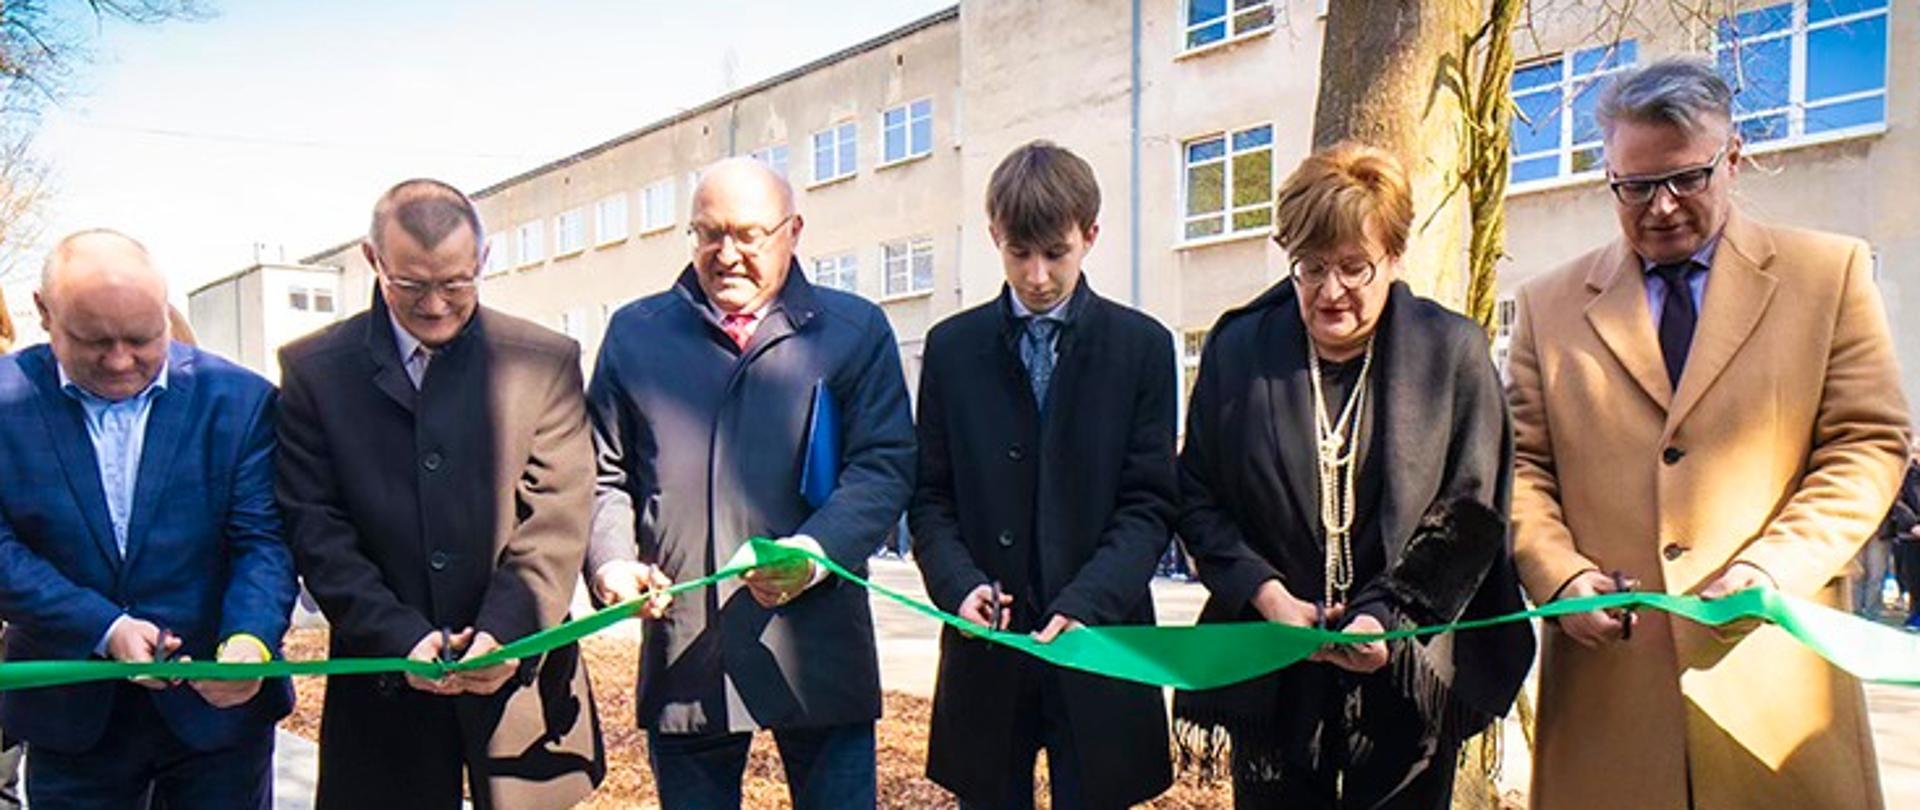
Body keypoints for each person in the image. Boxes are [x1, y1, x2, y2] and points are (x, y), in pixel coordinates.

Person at [1507, 58, 1909, 809]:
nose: (1660, 207)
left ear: (1732, 158)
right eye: (1634, 187)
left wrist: (1775, 567)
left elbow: (1866, 443)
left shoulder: (1830, 274)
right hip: (1610, 693)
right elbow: (1521, 468)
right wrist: (1557, 576)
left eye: (1686, 178)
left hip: (1777, 682)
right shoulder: (1545, 306)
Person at [1172, 143, 1533, 809]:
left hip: (1407, 665)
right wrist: (1268, 596)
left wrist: (1384, 617)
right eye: (1310, 267)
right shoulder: (1239, 349)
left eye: (1353, 267)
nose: (1330, 290)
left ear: (1395, 257)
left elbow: (1472, 510)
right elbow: (1198, 499)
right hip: (1275, 667)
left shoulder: (1452, 351)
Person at [586, 157, 915, 810]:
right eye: (709, 234)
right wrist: (612, 561)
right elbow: (604, 474)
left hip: (819, 645)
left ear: (794, 231)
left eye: (748, 235)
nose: (727, 254)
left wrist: (815, 554)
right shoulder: (636, 334)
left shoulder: (854, 331)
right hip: (688, 643)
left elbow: (883, 466)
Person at [276, 180, 604, 809]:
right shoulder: (316, 372)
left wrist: (508, 632)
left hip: (518, 688)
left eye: (455, 283)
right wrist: (396, 636)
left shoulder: (544, 362)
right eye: (410, 284)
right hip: (382, 693)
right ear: (373, 260)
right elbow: (316, 528)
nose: (434, 306)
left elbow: (557, 517)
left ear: (483, 260)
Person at [909, 141, 1176, 809]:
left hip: (1101, 640)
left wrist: (1090, 601)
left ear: (1091, 235)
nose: (1036, 276)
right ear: (994, 237)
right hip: (987, 648)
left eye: (1056, 253)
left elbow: (1149, 505)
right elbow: (930, 497)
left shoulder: (1141, 348)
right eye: (1018, 253)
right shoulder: (952, 348)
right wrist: (959, 586)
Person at [0, 229, 297, 808]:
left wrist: (250, 641)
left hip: (218, 717)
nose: (120, 361)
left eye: (141, 338)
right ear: (44, 312)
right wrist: (104, 627)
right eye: (94, 341)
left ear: (165, 310)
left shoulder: (239, 401)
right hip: (71, 717)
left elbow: (264, 541)